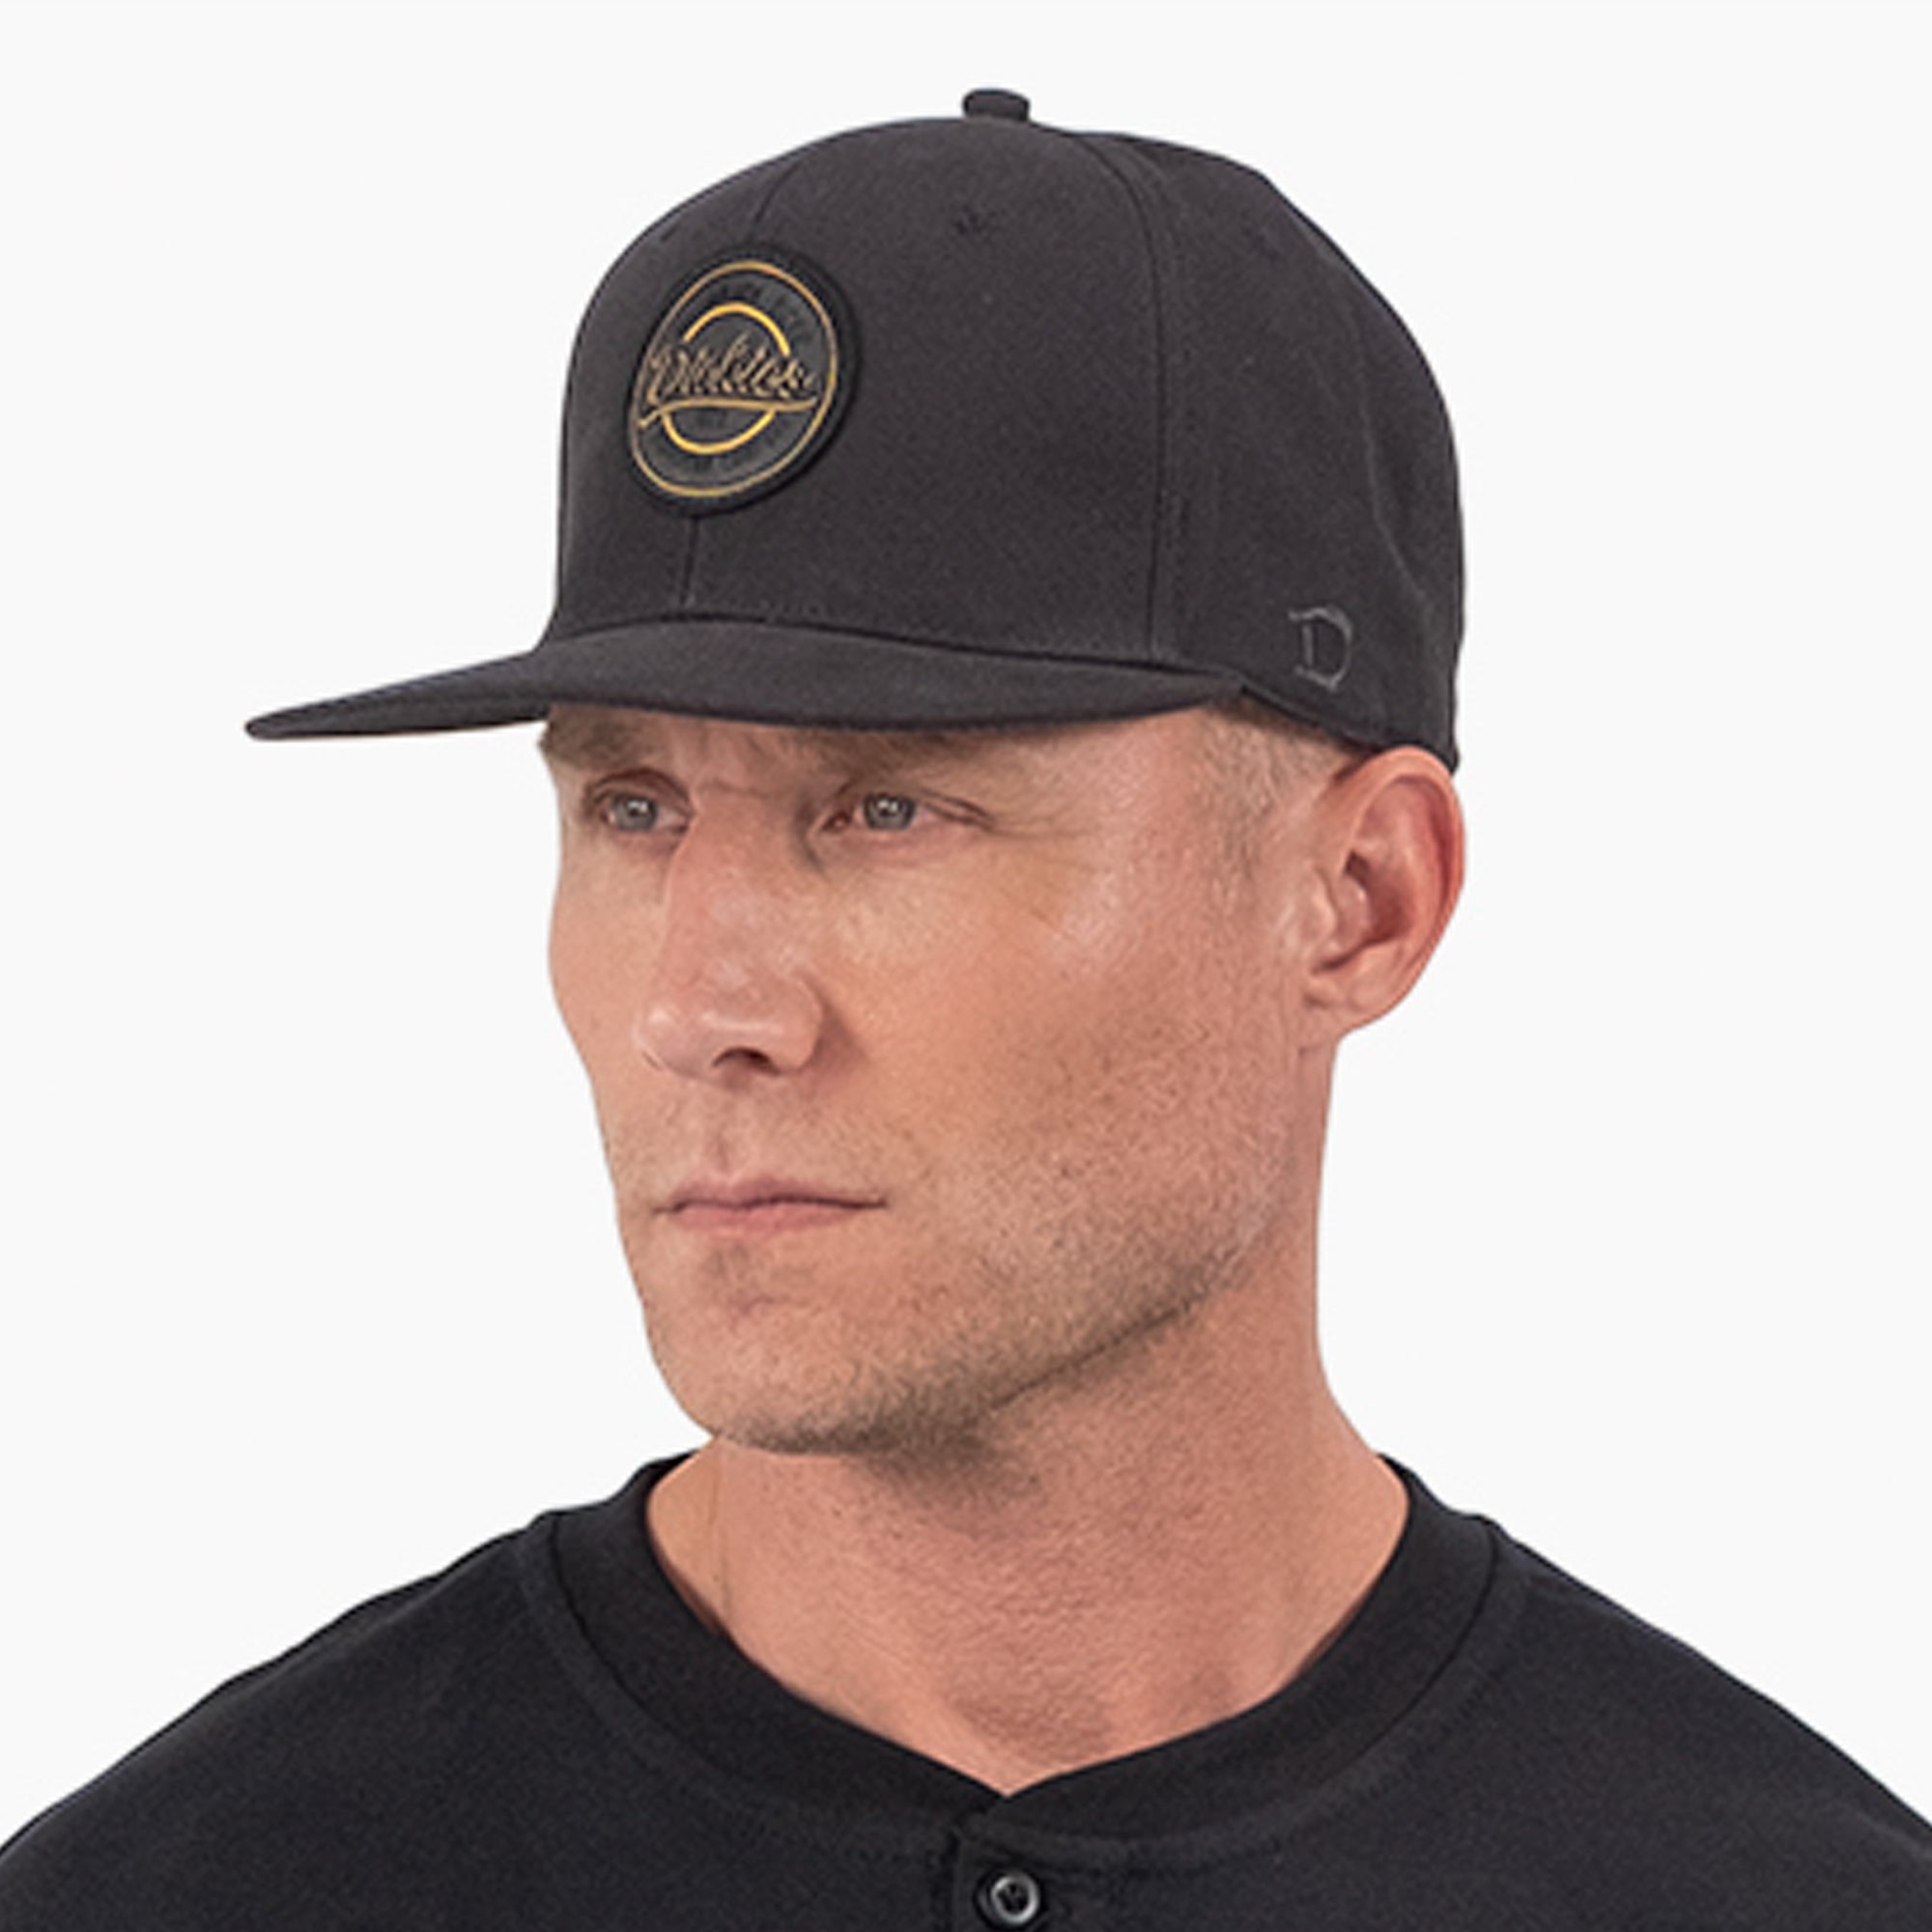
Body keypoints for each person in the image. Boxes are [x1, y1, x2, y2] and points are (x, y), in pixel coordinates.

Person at [4, 88, 1928, 1930]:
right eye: (634, 805)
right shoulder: (185, 1891)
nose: (700, 1004)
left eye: (889, 808)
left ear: (1362, 900)